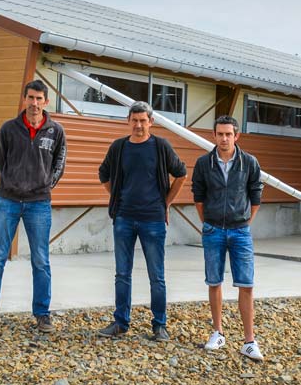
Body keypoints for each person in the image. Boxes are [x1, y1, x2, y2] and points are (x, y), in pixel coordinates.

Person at [0, 80, 67, 331]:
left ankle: (42, 312)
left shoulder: (55, 131)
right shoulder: (8, 129)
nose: (34, 103)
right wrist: (10, 183)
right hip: (8, 200)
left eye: (39, 98)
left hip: (39, 204)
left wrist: (46, 185)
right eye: (31, 98)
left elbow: (59, 163)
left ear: (46, 101)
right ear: (24, 99)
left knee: (40, 259)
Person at [97, 101, 187, 341]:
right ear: (128, 121)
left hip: (153, 220)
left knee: (156, 276)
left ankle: (159, 325)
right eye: (134, 120)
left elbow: (181, 173)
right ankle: (120, 323)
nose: (138, 125)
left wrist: (166, 203)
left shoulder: (160, 146)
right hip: (124, 218)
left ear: (151, 122)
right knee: (122, 274)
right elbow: (103, 174)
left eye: (143, 120)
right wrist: (116, 196)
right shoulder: (118, 148)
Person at [191, 115, 265, 361]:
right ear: (214, 136)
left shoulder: (249, 163)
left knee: (246, 284)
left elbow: (255, 196)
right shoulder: (204, 163)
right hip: (213, 230)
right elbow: (198, 196)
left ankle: (249, 341)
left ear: (236, 136)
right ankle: (218, 332)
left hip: (240, 230)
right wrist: (209, 223)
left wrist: (244, 222)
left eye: (228, 134)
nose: (224, 138)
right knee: (214, 281)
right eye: (220, 134)